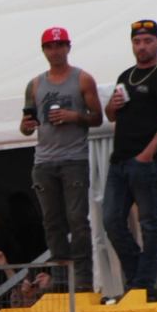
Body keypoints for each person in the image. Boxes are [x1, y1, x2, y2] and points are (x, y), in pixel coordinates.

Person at [102, 19, 157, 294]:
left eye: (148, 41)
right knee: (112, 219)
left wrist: (147, 154)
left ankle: (144, 281)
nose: (142, 46)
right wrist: (111, 106)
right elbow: (111, 115)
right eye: (137, 42)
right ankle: (137, 272)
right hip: (120, 160)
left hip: (147, 161)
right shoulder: (126, 76)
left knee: (150, 222)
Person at [20, 27, 101, 293]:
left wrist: (74, 116)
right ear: (44, 50)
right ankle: (61, 279)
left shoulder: (82, 79)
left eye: (60, 45)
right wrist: (26, 125)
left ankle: (84, 279)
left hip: (73, 158)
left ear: (68, 47)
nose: (55, 51)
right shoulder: (35, 84)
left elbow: (98, 117)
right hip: (44, 159)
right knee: (52, 220)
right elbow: (26, 125)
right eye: (50, 47)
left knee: (77, 218)